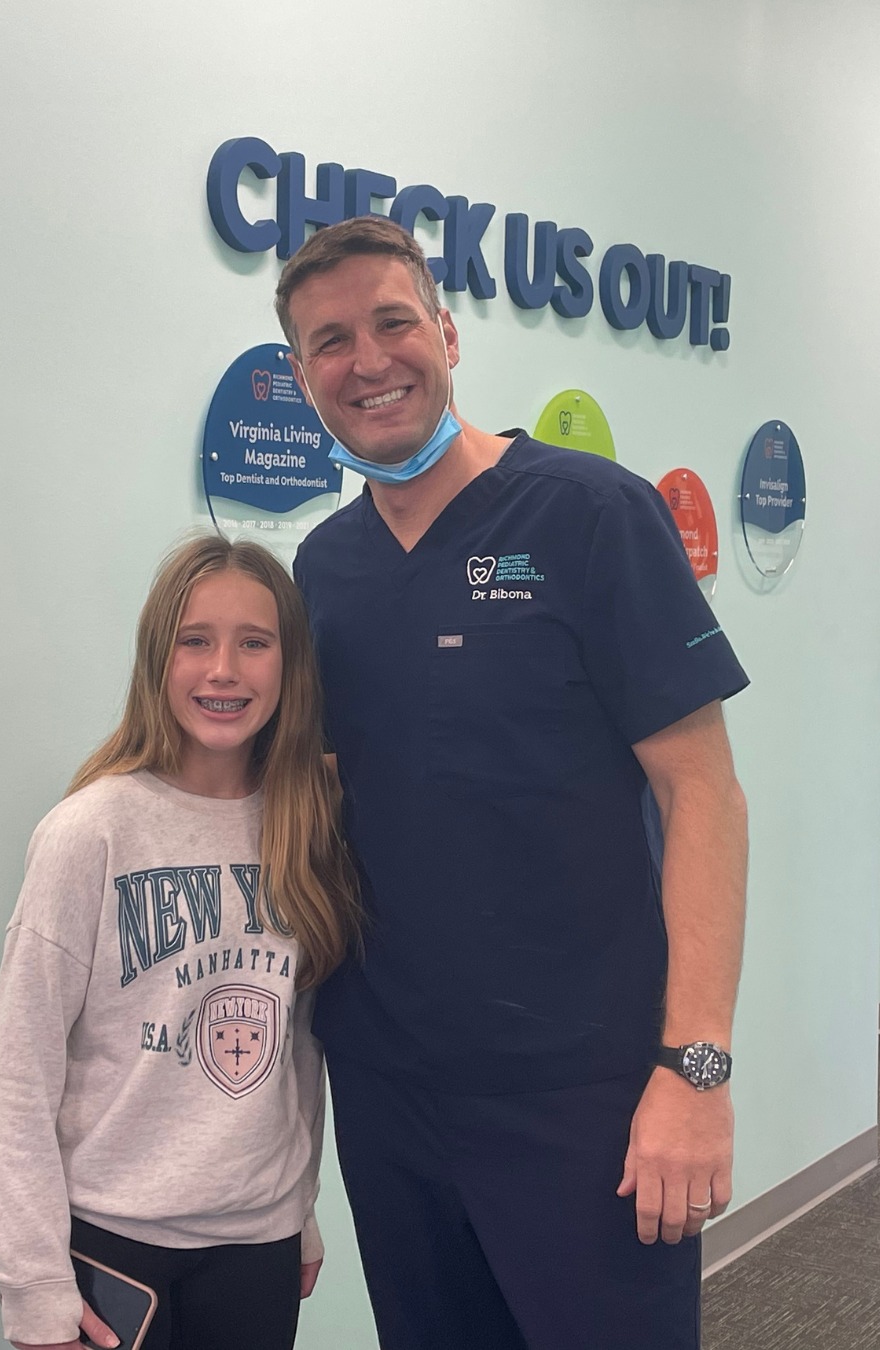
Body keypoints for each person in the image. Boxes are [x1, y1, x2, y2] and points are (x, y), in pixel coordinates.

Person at [275, 217, 749, 1350]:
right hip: (392, 1093)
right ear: (301, 378)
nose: (369, 359)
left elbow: (705, 798)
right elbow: (331, 812)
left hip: (583, 1097)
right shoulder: (325, 571)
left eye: (394, 321)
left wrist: (696, 1068)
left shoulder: (594, 515)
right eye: (329, 341)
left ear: (446, 329)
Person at [0, 535, 359, 1350]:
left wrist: (298, 1209)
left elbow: (294, 1046)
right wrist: (34, 1283)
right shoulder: (91, 832)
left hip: (257, 1249)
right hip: (111, 1246)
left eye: (254, 643)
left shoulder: (306, 829)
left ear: (288, 667)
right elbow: (18, 1074)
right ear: (159, 659)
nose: (223, 669)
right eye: (196, 641)